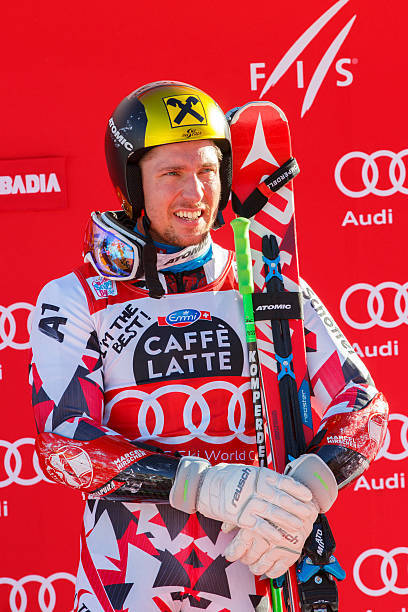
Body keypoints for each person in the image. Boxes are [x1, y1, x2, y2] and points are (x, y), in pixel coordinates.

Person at [30, 81, 388, 612]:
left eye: (207, 171)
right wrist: (204, 485)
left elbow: (365, 415)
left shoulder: (268, 285)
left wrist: (301, 496)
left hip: (258, 575)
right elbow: (63, 445)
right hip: (127, 582)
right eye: (171, 173)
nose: (195, 193)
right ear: (132, 183)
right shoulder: (78, 297)